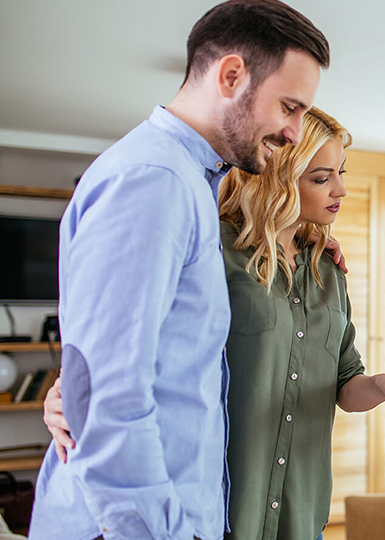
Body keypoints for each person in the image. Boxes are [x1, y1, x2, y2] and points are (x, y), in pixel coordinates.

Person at [42, 107, 385, 540]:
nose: (340, 188)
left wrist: (380, 386)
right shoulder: (213, 249)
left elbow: (343, 381)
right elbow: (138, 345)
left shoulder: (328, 271)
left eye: (340, 171)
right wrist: (70, 394)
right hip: (218, 507)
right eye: (321, 178)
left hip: (301, 511)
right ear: (278, 180)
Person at [29, 2, 330, 539]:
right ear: (231, 75)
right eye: (289, 106)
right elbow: (107, 393)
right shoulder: (154, 181)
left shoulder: (192, 183)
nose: (293, 132)